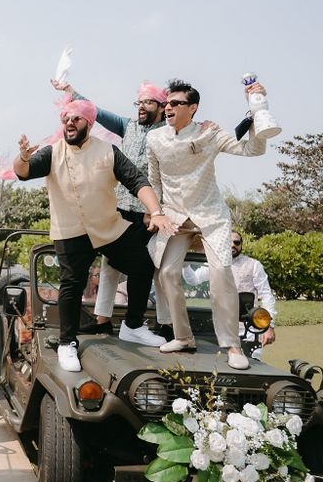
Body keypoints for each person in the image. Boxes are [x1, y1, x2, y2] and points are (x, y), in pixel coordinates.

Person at [14, 97, 177, 373]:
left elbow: (137, 181)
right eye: (66, 118)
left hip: (108, 227)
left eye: (76, 118)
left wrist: (157, 211)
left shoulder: (108, 151)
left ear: (88, 123)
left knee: (142, 264)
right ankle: (68, 343)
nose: (69, 122)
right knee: (72, 283)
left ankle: (133, 326)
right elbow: (24, 172)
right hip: (71, 233)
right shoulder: (51, 153)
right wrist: (23, 157)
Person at [146, 79, 269, 370]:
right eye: (167, 103)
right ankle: (183, 336)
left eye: (176, 103)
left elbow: (252, 150)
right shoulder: (155, 139)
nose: (169, 108)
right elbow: (154, 180)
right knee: (166, 272)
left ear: (193, 108)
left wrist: (258, 114)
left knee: (221, 273)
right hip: (175, 217)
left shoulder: (210, 132)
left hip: (211, 216)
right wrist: (153, 212)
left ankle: (232, 345)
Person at [52, 79, 174, 338]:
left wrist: (157, 211)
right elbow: (93, 110)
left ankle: (163, 323)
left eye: (148, 102)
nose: (141, 107)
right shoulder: (126, 126)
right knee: (109, 266)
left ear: (162, 107)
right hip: (118, 209)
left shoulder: (169, 133)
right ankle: (103, 320)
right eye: (138, 102)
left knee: (155, 265)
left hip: (149, 213)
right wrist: (70, 91)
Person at [181, 230, 277, 359]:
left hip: (248, 330)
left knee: (253, 367)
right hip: (220, 329)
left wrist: (269, 326)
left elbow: (266, 296)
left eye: (236, 242)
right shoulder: (214, 264)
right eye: (228, 242)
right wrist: (185, 265)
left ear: (241, 245)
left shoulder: (254, 265)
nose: (232, 245)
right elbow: (192, 280)